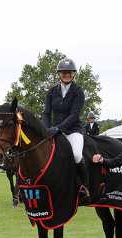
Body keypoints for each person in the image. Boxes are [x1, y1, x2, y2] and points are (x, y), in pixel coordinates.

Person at [42, 57, 89, 198]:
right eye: (64, 72)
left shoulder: (78, 91)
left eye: (69, 72)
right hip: (55, 131)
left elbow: (74, 115)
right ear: (59, 74)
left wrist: (58, 128)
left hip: (73, 130)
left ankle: (84, 185)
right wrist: (46, 130)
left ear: (73, 74)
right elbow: (46, 113)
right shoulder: (51, 92)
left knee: (76, 154)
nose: (66, 74)